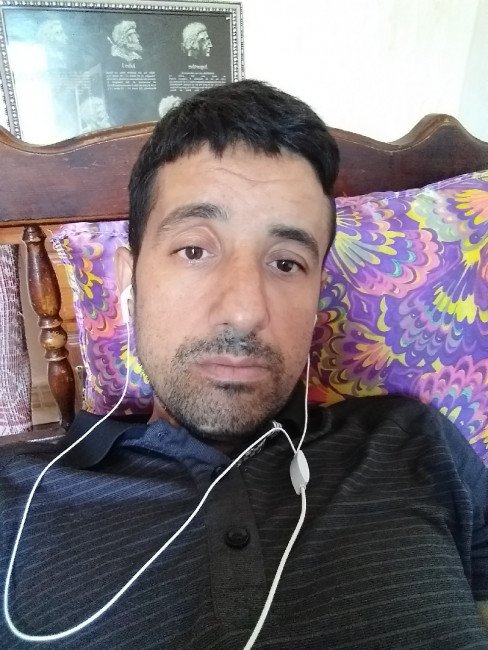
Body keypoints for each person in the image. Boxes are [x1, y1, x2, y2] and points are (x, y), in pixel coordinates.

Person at [1, 80, 487, 649]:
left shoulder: (417, 443)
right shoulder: (15, 500)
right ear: (130, 282)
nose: (244, 311)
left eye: (286, 263)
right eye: (194, 250)